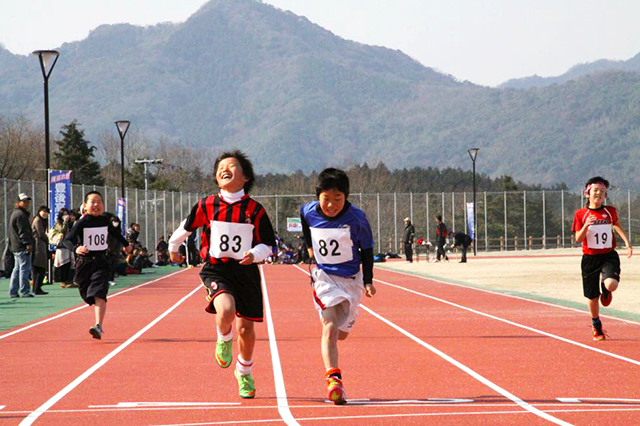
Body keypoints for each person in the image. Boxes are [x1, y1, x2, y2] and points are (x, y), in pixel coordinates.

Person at [169, 150, 276, 399]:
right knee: (226, 311)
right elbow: (186, 227)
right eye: (220, 167)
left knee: (246, 329)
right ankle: (222, 337)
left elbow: (268, 244)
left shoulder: (255, 210)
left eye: (232, 165)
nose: (224, 168)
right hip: (216, 268)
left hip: (246, 272)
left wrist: (255, 254)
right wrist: (174, 248)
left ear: (246, 177)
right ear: (216, 178)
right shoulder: (207, 204)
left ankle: (244, 372)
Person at [300, 168, 376, 405]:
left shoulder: (357, 219)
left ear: (346, 197)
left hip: (351, 281)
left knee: (341, 334)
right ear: (317, 196)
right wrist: (309, 247)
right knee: (330, 327)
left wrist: (368, 281)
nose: (331, 205)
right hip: (325, 278)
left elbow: (367, 251)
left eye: (337, 199)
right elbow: (305, 222)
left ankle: (342, 325)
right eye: (326, 199)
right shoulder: (309, 210)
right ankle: (334, 381)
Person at [63, 191, 131, 339]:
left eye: (99, 202)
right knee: (87, 293)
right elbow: (67, 240)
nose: (96, 205)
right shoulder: (82, 222)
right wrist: (76, 248)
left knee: (99, 293)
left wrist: (126, 244)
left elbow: (115, 233)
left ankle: (98, 326)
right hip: (85, 263)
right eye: (93, 202)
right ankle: (95, 308)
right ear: (85, 206)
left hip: (101, 261)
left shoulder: (105, 221)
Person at [572, 176, 632, 341]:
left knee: (611, 284)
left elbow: (616, 225)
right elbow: (578, 238)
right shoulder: (581, 214)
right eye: (596, 190)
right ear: (587, 194)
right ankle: (596, 324)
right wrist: (587, 225)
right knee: (592, 297)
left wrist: (627, 243)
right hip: (590, 258)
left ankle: (605, 289)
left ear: (605, 196)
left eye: (603, 192)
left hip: (608, 255)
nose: (599, 193)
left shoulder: (610, 211)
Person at [9, 193, 35, 298]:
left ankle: (13, 291)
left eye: (27, 201)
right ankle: (25, 290)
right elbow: (23, 231)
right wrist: (27, 243)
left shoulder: (16, 213)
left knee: (17, 269)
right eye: (24, 201)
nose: (27, 203)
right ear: (18, 203)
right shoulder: (20, 215)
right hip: (21, 246)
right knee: (24, 268)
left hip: (16, 245)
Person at [50, 208, 75, 288]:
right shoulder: (58, 223)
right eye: (64, 214)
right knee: (62, 263)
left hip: (69, 245)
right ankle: (62, 281)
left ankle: (69, 280)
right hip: (62, 245)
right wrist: (65, 222)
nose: (66, 216)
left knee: (69, 263)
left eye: (67, 214)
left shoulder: (71, 223)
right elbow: (62, 231)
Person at [31, 206, 50, 295]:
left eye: (47, 212)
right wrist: (50, 238)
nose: (45, 213)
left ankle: (37, 288)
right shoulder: (38, 220)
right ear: (39, 211)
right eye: (43, 211)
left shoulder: (41, 220)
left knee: (40, 268)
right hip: (38, 245)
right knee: (39, 268)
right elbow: (41, 234)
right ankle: (36, 288)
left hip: (40, 245)